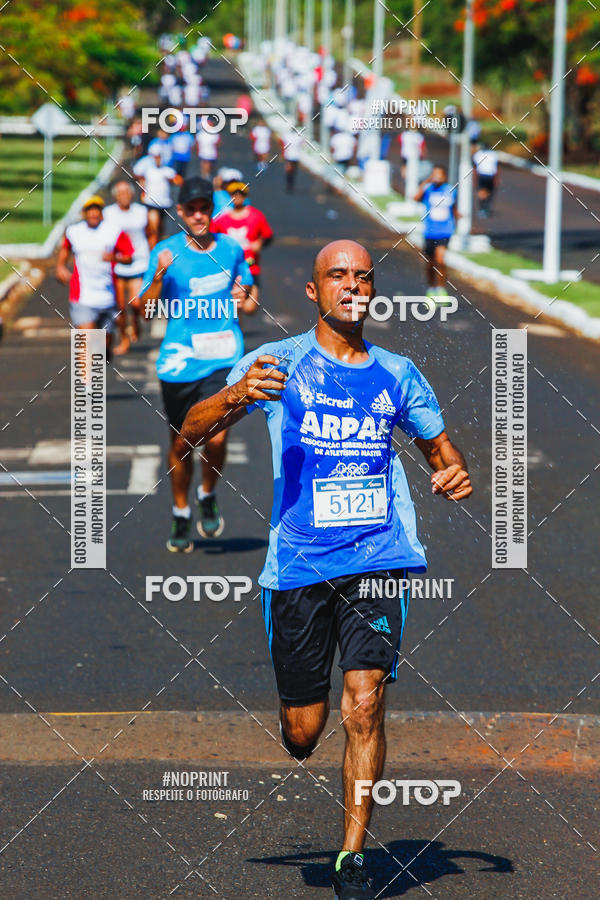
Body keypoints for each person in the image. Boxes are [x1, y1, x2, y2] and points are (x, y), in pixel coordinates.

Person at [179, 239, 472, 900]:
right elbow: (189, 430)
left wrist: (452, 471)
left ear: (373, 290)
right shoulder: (275, 364)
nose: (352, 285)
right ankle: (303, 736)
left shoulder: (397, 373)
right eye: (337, 276)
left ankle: (352, 857)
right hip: (301, 566)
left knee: (365, 703)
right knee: (303, 733)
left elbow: (441, 449)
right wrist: (232, 395)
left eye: (362, 277)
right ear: (313, 291)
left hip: (379, 556)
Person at [139, 176, 255, 552]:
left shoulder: (231, 249)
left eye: (205, 207)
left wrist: (245, 294)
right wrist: (159, 274)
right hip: (180, 362)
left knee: (218, 437)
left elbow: (249, 298)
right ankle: (181, 511)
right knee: (181, 446)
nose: (200, 215)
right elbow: (145, 307)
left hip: (223, 356)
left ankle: (207, 492)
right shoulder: (165, 252)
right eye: (192, 209)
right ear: (181, 212)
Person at [56, 196, 134, 358]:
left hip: (107, 297)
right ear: (84, 213)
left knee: (102, 348)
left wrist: (114, 258)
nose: (93, 214)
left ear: (101, 213)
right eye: (89, 210)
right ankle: (86, 384)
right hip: (82, 297)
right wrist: (60, 266)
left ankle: (97, 371)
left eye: (96, 210)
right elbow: (65, 249)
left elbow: (129, 256)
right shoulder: (74, 232)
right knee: (86, 344)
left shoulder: (113, 232)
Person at [104, 181, 154, 355]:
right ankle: (124, 339)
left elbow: (150, 233)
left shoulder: (141, 212)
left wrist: (153, 255)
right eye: (120, 192)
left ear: (132, 194)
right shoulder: (108, 213)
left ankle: (136, 321)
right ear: (115, 195)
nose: (124, 195)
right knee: (119, 307)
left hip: (139, 261)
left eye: (127, 191)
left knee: (136, 302)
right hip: (117, 264)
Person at [210, 180, 273, 296]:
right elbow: (210, 236)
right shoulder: (222, 219)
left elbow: (268, 236)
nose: (237, 197)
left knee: (250, 307)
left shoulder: (256, 216)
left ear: (245, 196)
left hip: (251, 267)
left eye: (241, 194)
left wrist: (260, 243)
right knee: (234, 305)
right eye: (234, 194)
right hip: (228, 268)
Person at [414, 165, 458, 298]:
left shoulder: (450, 190)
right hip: (429, 231)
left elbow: (453, 208)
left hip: (445, 231)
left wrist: (457, 220)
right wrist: (426, 182)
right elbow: (415, 198)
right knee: (430, 263)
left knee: (441, 260)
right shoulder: (428, 190)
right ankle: (431, 288)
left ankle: (441, 289)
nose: (437, 177)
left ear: (445, 176)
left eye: (440, 174)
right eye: (435, 174)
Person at [133, 148, 181, 242]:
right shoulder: (148, 170)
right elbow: (138, 177)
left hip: (164, 203)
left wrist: (171, 180)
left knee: (160, 227)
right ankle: (152, 249)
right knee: (153, 227)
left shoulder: (167, 171)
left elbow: (178, 180)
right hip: (151, 203)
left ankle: (159, 243)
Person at [472, 143, 499, 218]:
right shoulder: (493, 155)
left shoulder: (478, 154)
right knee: (486, 193)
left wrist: (474, 180)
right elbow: (497, 168)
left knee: (483, 193)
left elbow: (475, 169)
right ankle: (484, 208)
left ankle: (484, 208)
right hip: (489, 175)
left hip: (483, 176)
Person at [279, 129, 304, 193]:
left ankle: (290, 184)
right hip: (291, 156)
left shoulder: (287, 136)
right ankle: (289, 185)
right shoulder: (298, 137)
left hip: (293, 155)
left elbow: (281, 142)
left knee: (292, 171)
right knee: (290, 170)